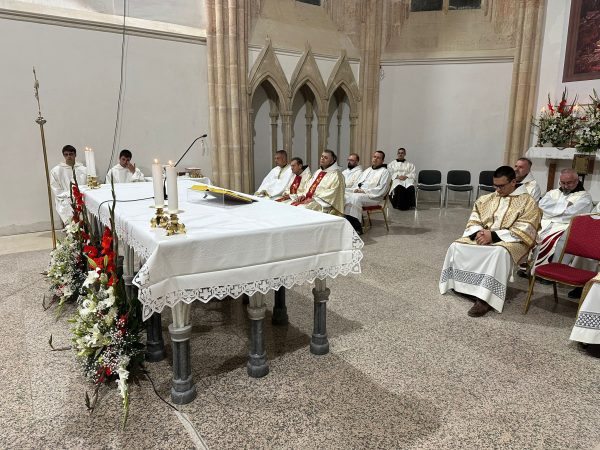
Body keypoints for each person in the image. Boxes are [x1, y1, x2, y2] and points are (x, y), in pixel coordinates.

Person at [439, 166, 541, 317]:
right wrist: (479, 233)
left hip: (513, 240)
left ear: (513, 182)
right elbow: (474, 219)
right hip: (483, 235)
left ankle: (485, 299)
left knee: (498, 252)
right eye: (495, 185)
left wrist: (494, 236)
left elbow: (525, 228)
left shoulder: (528, 202)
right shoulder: (486, 199)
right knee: (456, 246)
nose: (497, 190)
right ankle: (461, 286)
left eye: (501, 186)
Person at [532, 168, 593, 271]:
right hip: (546, 223)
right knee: (533, 235)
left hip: (566, 226)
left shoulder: (584, 197)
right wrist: (565, 206)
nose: (565, 186)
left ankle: (552, 271)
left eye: (569, 183)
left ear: (577, 181)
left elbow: (573, 213)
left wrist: (553, 210)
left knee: (557, 242)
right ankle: (532, 269)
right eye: (562, 183)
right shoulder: (553, 193)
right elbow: (542, 206)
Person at [344, 150, 391, 234]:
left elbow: (382, 189)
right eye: (374, 157)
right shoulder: (367, 170)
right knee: (344, 194)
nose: (375, 159)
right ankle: (347, 223)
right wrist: (355, 189)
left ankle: (357, 227)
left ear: (382, 161)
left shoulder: (385, 172)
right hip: (360, 193)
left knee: (355, 198)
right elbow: (358, 183)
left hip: (374, 197)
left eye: (378, 158)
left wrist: (364, 191)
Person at [290, 150, 345, 216]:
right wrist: (303, 195)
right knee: (291, 205)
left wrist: (314, 199)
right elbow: (309, 186)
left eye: (326, 157)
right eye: (322, 156)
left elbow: (333, 193)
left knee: (301, 209)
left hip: (324, 204)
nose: (322, 159)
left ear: (332, 161)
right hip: (311, 199)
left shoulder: (336, 175)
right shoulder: (318, 172)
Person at [50, 145, 88, 225]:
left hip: (82, 198)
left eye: (71, 154)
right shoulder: (56, 171)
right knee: (71, 222)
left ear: (75, 155)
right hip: (65, 199)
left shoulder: (84, 170)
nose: (68, 156)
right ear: (63, 155)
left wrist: (79, 195)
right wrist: (70, 195)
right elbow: (56, 189)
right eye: (66, 154)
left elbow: (88, 185)